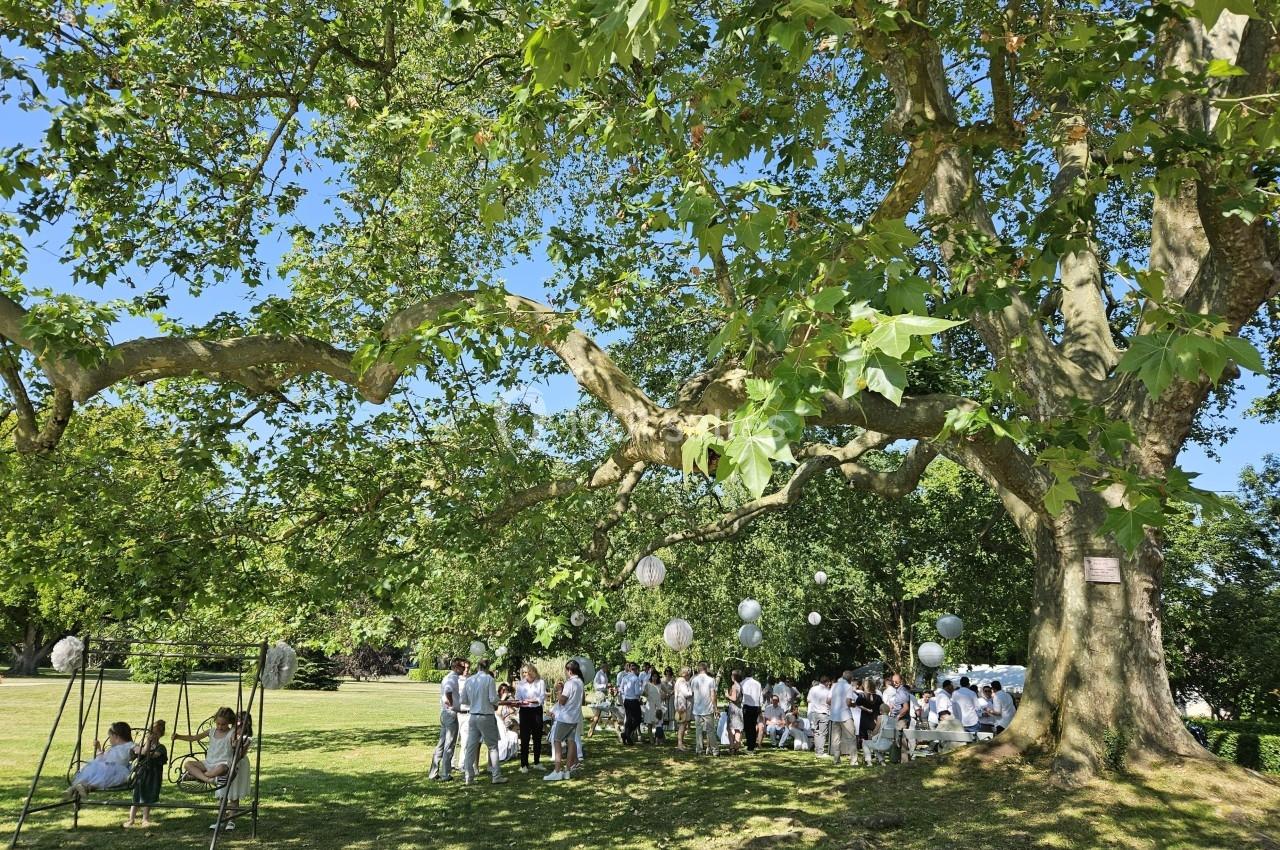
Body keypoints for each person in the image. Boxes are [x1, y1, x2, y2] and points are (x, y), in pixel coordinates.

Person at [462, 657, 507, 785]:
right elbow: (493, 698)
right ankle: (496, 775)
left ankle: (468, 777)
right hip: (486, 715)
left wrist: (475, 701)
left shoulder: (469, 680)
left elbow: (463, 700)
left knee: (471, 747)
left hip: (473, 715)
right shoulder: (489, 679)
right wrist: (497, 701)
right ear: (487, 667)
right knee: (493, 746)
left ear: (478, 667)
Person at [65, 721, 133, 802]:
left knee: (101, 777)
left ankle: (84, 787)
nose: (109, 740)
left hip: (117, 771)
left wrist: (148, 744)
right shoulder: (112, 749)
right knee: (92, 771)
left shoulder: (130, 745)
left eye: (110, 737)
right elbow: (102, 758)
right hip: (105, 768)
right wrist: (98, 748)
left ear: (116, 736)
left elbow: (142, 751)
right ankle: (78, 786)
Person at [543, 659, 584, 781]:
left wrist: (559, 691)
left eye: (566, 670)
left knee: (557, 741)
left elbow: (562, 701)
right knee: (571, 741)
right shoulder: (580, 682)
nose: (565, 673)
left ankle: (557, 771)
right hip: (575, 717)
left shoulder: (570, 683)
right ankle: (567, 770)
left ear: (570, 671)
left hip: (565, 717)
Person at [175, 707, 237, 785]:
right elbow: (194, 738)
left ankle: (197, 776)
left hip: (222, 764)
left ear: (229, 722)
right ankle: (208, 779)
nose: (220, 727)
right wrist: (178, 737)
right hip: (208, 763)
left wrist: (235, 744)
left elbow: (236, 742)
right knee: (188, 764)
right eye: (218, 724)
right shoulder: (211, 731)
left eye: (223, 724)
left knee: (222, 768)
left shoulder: (232, 733)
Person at [125, 719, 166, 828]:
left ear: (160, 735)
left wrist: (147, 745)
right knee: (136, 796)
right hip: (141, 774)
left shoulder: (160, 748)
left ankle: (145, 818)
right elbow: (136, 754)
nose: (153, 736)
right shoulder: (142, 746)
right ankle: (131, 819)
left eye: (156, 733)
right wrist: (143, 745)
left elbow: (151, 755)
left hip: (152, 775)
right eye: (151, 733)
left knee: (147, 797)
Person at [428, 658, 464, 781]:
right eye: (462, 667)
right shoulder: (452, 678)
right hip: (450, 713)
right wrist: (452, 704)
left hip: (444, 713)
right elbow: (448, 691)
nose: (464, 669)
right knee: (449, 744)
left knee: (442, 743)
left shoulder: (449, 677)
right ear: (456, 667)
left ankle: (433, 772)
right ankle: (445, 774)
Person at [515, 663, 546, 773]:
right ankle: (524, 764)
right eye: (523, 672)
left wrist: (535, 700)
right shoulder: (520, 684)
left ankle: (537, 762)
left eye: (526, 672)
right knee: (524, 737)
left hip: (536, 710)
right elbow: (517, 697)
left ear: (532, 672)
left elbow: (542, 697)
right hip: (524, 711)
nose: (524, 674)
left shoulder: (540, 682)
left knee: (537, 736)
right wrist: (519, 702)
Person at [690, 663, 719, 756]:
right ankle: (715, 750)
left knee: (698, 731)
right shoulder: (711, 680)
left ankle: (699, 749)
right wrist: (715, 707)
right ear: (706, 669)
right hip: (708, 708)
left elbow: (692, 693)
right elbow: (713, 695)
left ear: (698, 669)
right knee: (710, 731)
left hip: (697, 708)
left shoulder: (694, 680)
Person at [854, 678, 884, 765]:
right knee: (874, 741)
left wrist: (866, 709)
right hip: (874, 721)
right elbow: (882, 708)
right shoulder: (878, 697)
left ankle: (868, 760)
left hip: (864, 720)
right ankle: (881, 760)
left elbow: (857, 704)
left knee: (864, 741)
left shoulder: (862, 696)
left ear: (865, 686)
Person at [829, 671, 856, 765]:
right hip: (845, 715)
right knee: (851, 737)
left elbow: (828, 700)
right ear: (849, 679)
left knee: (836, 739)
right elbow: (848, 702)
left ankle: (836, 760)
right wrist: (854, 704)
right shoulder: (848, 687)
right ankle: (853, 760)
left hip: (834, 715)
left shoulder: (834, 686)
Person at [453, 660, 472, 773]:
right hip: (456, 712)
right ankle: (451, 762)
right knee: (453, 740)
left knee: (465, 741)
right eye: (464, 668)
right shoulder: (455, 679)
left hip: (467, 713)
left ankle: (462, 764)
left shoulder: (472, 680)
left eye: (468, 668)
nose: (466, 670)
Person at [806, 676, 832, 759]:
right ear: (827, 682)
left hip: (814, 712)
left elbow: (808, 699)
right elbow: (830, 702)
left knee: (817, 732)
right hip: (823, 712)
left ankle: (817, 750)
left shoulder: (813, 689)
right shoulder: (827, 691)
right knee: (822, 733)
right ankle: (820, 752)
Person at [619, 662, 644, 745]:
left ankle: (626, 735)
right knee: (638, 719)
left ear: (630, 669)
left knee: (629, 719)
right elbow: (637, 692)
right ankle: (627, 734)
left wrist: (625, 694)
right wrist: (642, 690)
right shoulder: (636, 679)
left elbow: (621, 689)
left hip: (626, 700)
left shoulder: (625, 677)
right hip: (633, 700)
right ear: (636, 670)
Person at [740, 669, 763, 752]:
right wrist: (760, 706)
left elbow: (741, 696)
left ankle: (750, 745)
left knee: (747, 726)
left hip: (746, 706)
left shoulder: (742, 683)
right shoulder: (758, 683)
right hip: (756, 706)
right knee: (753, 726)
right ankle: (752, 745)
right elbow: (761, 696)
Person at [725, 669, 745, 754]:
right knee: (737, 729)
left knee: (730, 728)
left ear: (734, 677)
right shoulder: (740, 686)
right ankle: (737, 746)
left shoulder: (734, 686)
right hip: (739, 708)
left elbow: (734, 698)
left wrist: (727, 695)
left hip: (733, 709)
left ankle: (732, 746)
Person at [674, 667, 693, 751]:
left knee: (683, 725)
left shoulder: (682, 681)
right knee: (682, 725)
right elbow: (686, 693)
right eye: (688, 673)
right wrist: (692, 692)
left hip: (682, 704)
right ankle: (680, 744)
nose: (689, 675)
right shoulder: (681, 681)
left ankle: (681, 743)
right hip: (682, 705)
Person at [643, 672, 665, 743]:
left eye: (656, 676)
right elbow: (644, 692)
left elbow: (666, 692)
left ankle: (659, 737)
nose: (654, 678)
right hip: (650, 705)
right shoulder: (648, 684)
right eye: (653, 676)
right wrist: (647, 695)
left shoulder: (660, 684)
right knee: (649, 723)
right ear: (651, 677)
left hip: (658, 705)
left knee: (659, 722)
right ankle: (651, 738)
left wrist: (665, 695)